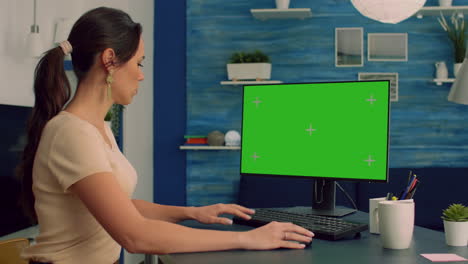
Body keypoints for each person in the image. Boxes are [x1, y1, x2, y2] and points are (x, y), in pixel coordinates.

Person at [16, 6, 314, 264]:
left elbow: (118, 208)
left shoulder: (97, 128)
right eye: (139, 62)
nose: (142, 74)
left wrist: (192, 212)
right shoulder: (71, 132)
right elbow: (135, 235)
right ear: (109, 60)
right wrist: (249, 239)